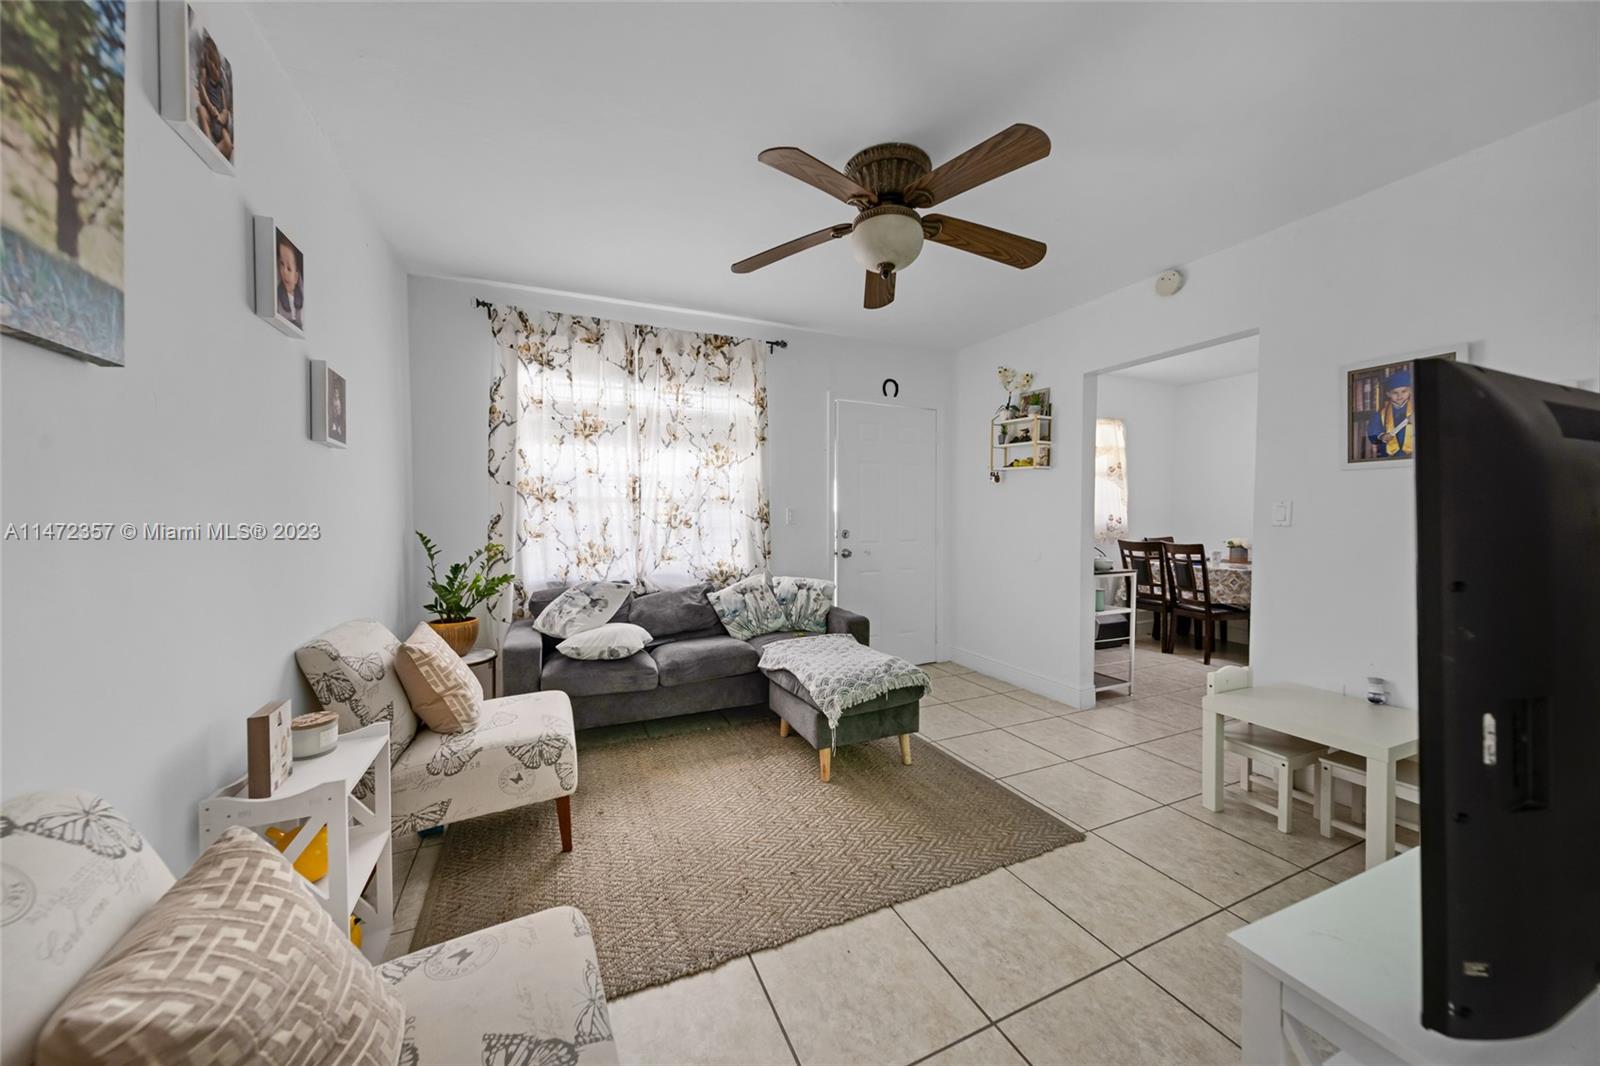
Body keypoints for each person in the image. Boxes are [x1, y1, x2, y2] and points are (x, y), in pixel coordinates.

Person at [1366, 367, 1413, 458]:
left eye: (1404, 391)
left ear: (1410, 391)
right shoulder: (1381, 413)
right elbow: (1373, 430)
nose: (1400, 396)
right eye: (1395, 393)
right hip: (1390, 455)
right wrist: (1381, 436)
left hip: (1414, 454)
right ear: (1388, 394)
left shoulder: (1416, 409)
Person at [276, 232, 304, 330]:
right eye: (281, 264)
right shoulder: (279, 294)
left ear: (296, 277)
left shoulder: (300, 294)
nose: (284, 271)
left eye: (289, 268)